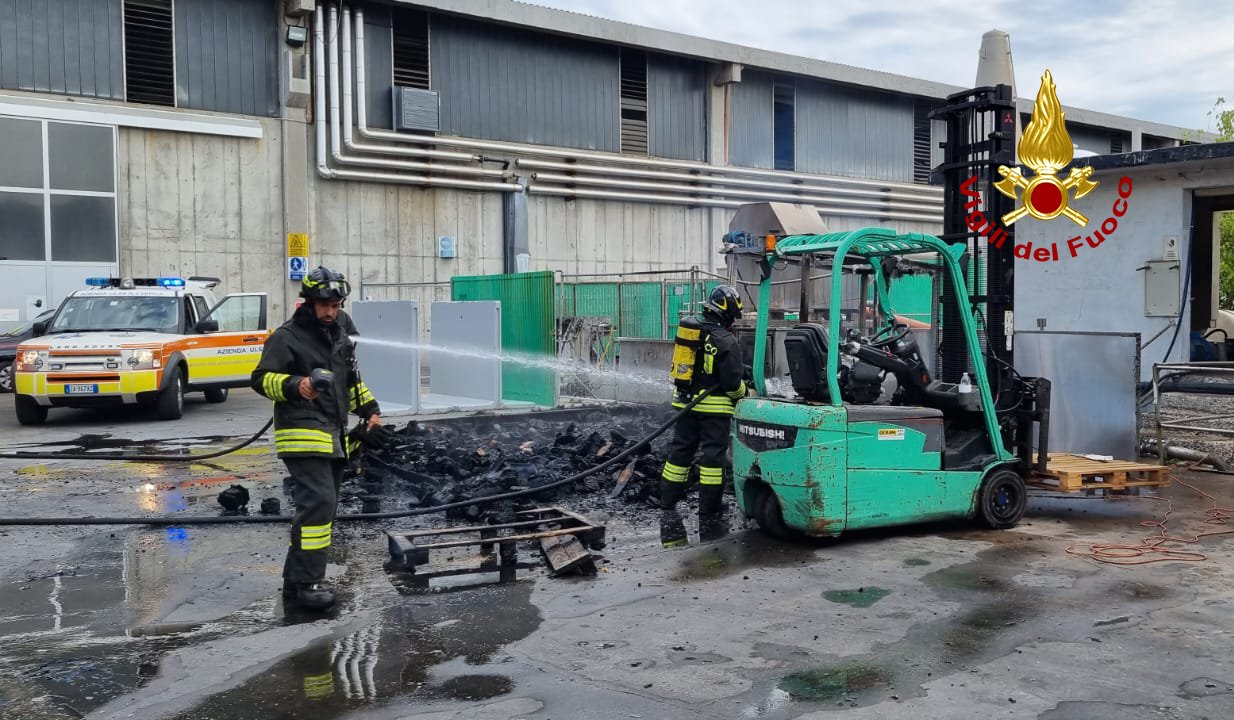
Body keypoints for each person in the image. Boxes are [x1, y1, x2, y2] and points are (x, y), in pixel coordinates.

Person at [251, 265, 383, 610]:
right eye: (325, 305)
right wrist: (297, 385)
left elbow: (349, 381)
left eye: (337, 305)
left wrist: (370, 409)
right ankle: (310, 582)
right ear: (308, 302)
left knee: (318, 508)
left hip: (334, 433)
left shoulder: (341, 331)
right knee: (320, 503)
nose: (331, 312)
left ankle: (295, 582)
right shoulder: (288, 336)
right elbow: (261, 379)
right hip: (301, 432)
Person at [659, 285, 748, 547]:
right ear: (727, 311)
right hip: (714, 410)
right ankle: (708, 508)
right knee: (712, 458)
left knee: (680, 452)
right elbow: (732, 384)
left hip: (686, 403)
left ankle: (667, 500)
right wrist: (746, 391)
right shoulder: (726, 340)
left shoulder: (693, 330)